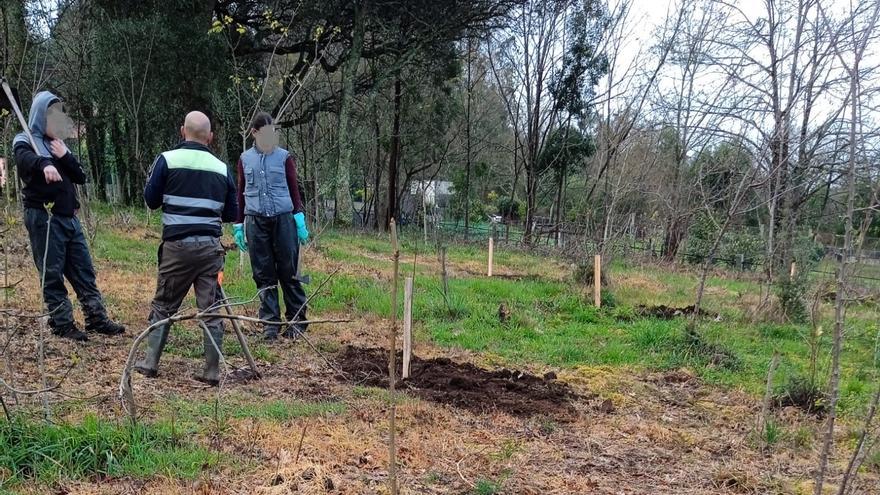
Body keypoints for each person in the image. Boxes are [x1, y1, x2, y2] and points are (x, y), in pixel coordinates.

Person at [12, 91, 125, 341]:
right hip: (45, 218)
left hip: (70, 219)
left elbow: (81, 176)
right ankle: (62, 323)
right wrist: (44, 164)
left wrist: (64, 156)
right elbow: (24, 161)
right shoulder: (25, 141)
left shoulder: (59, 145)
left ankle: (96, 318)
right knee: (52, 273)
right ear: (41, 117)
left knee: (84, 270)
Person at [136, 111, 238, 386]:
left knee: (164, 305)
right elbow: (231, 213)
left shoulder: (166, 160)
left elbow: (151, 200)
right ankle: (212, 371)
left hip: (176, 249)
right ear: (211, 137)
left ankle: (149, 363)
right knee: (211, 307)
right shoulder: (222, 168)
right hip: (210, 250)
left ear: (183, 131)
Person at [233, 112, 309, 341]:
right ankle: (270, 324)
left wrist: (298, 217)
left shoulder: (285, 157)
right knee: (263, 274)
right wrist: (238, 224)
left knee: (290, 271)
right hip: (256, 222)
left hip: (283, 219)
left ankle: (297, 321)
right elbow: (241, 192)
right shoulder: (245, 159)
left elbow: (294, 189)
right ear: (254, 133)